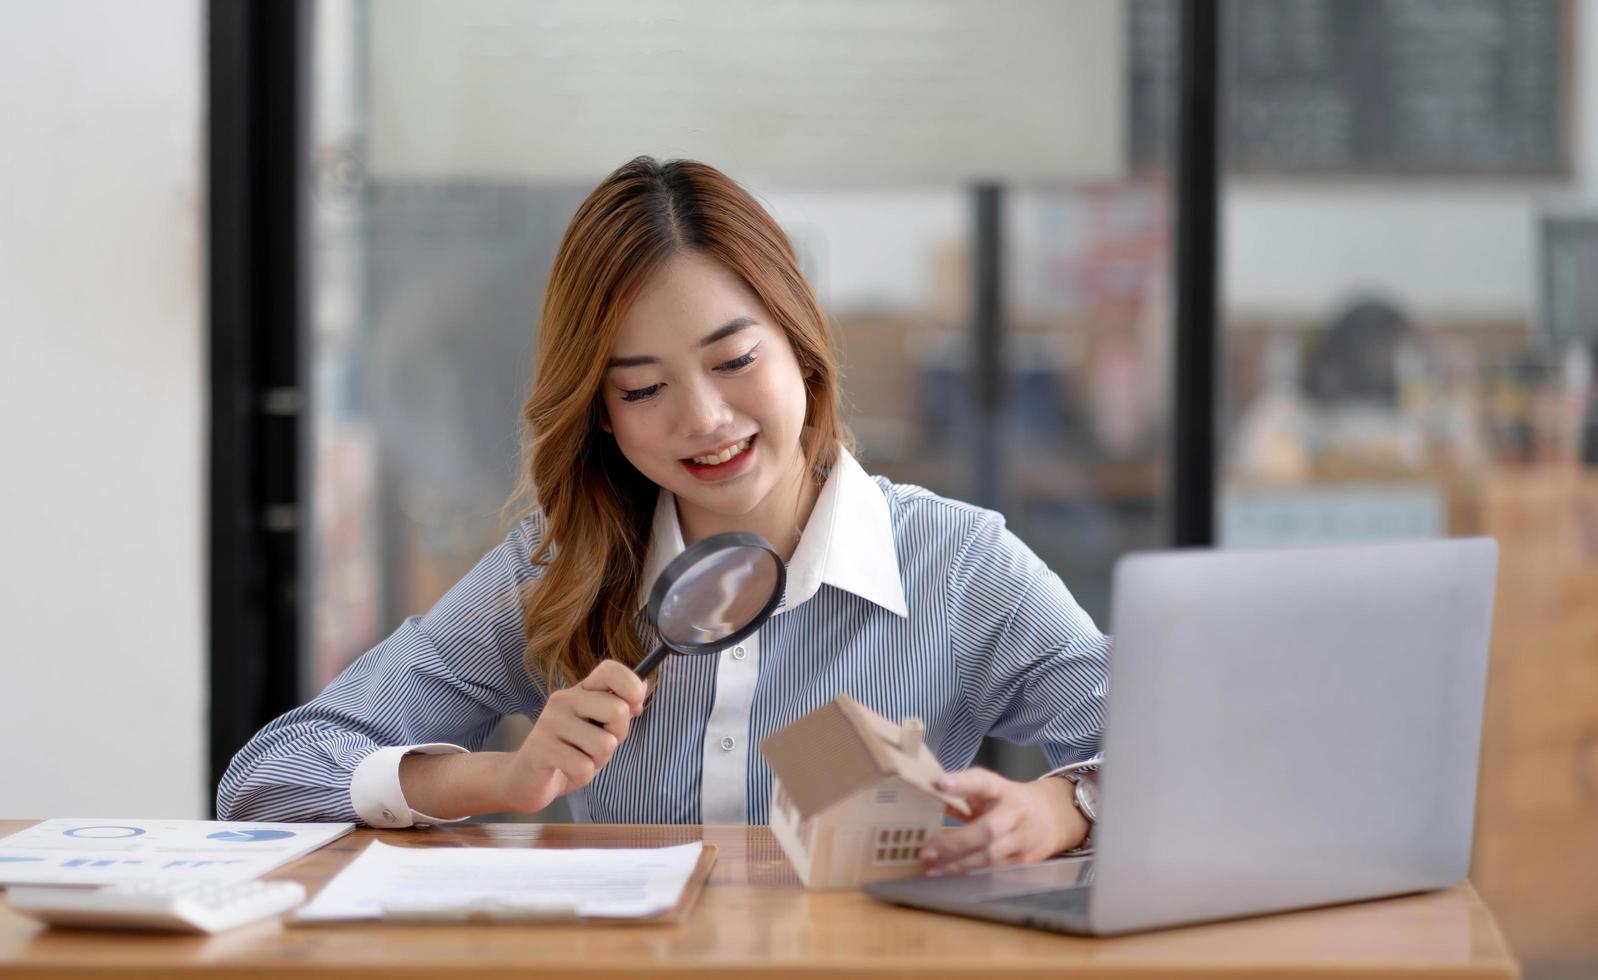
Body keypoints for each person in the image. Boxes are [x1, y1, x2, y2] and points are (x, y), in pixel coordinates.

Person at [218, 156, 1111, 875]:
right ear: (601, 413)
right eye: (643, 388)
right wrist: (502, 775)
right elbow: (267, 781)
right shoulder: (555, 573)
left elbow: (1183, 758)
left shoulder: (958, 565)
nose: (705, 420)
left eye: (734, 360)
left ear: (800, 347)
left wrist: (1056, 808)